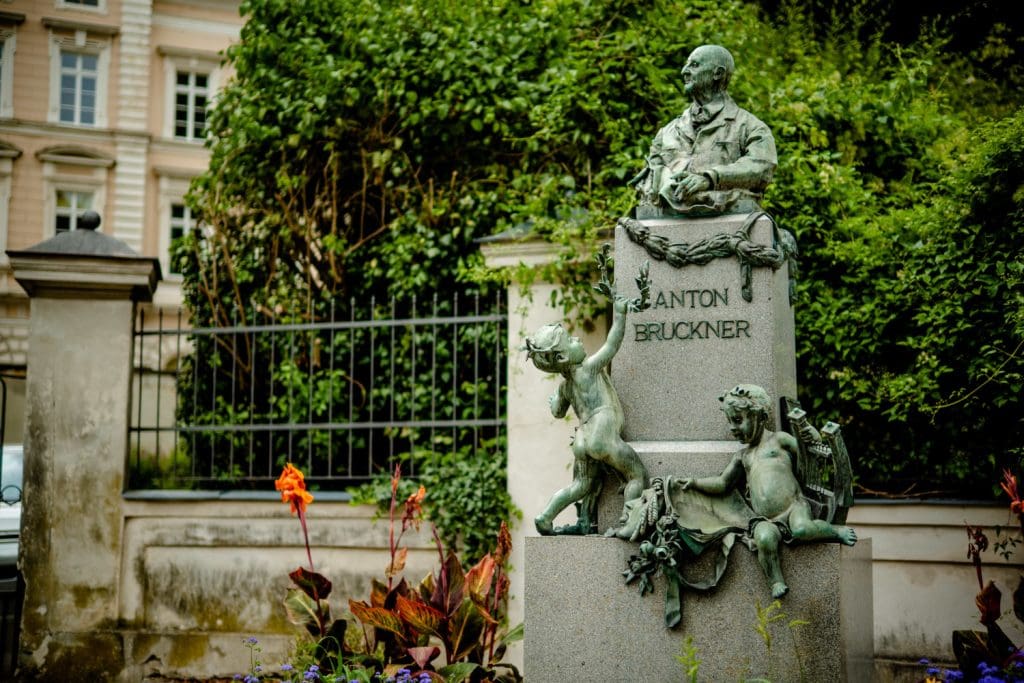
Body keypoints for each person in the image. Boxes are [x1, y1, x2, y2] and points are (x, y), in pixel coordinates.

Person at [679, 385, 857, 598]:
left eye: (737, 420)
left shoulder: (778, 440)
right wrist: (695, 483)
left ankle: (833, 531)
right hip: (764, 518)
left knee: (802, 529)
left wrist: (814, 435)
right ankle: (776, 580)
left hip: (793, 507)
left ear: (760, 417)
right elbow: (723, 482)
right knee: (764, 539)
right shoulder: (743, 456)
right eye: (730, 422)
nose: (732, 428)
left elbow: (808, 451)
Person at [525, 298, 648, 536]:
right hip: (601, 431)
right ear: (562, 358)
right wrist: (620, 314)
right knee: (636, 474)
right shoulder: (589, 368)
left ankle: (546, 516)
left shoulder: (565, 387)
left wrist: (553, 403)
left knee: (581, 485)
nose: (577, 339)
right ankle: (628, 522)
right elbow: (612, 345)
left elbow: (558, 412)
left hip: (582, 438)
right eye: (570, 341)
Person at [630, 45, 777, 218]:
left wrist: (710, 178)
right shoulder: (667, 132)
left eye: (694, 65)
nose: (684, 71)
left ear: (717, 74)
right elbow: (649, 178)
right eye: (686, 65)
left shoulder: (750, 127)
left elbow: (762, 167)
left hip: (730, 220)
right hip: (668, 224)